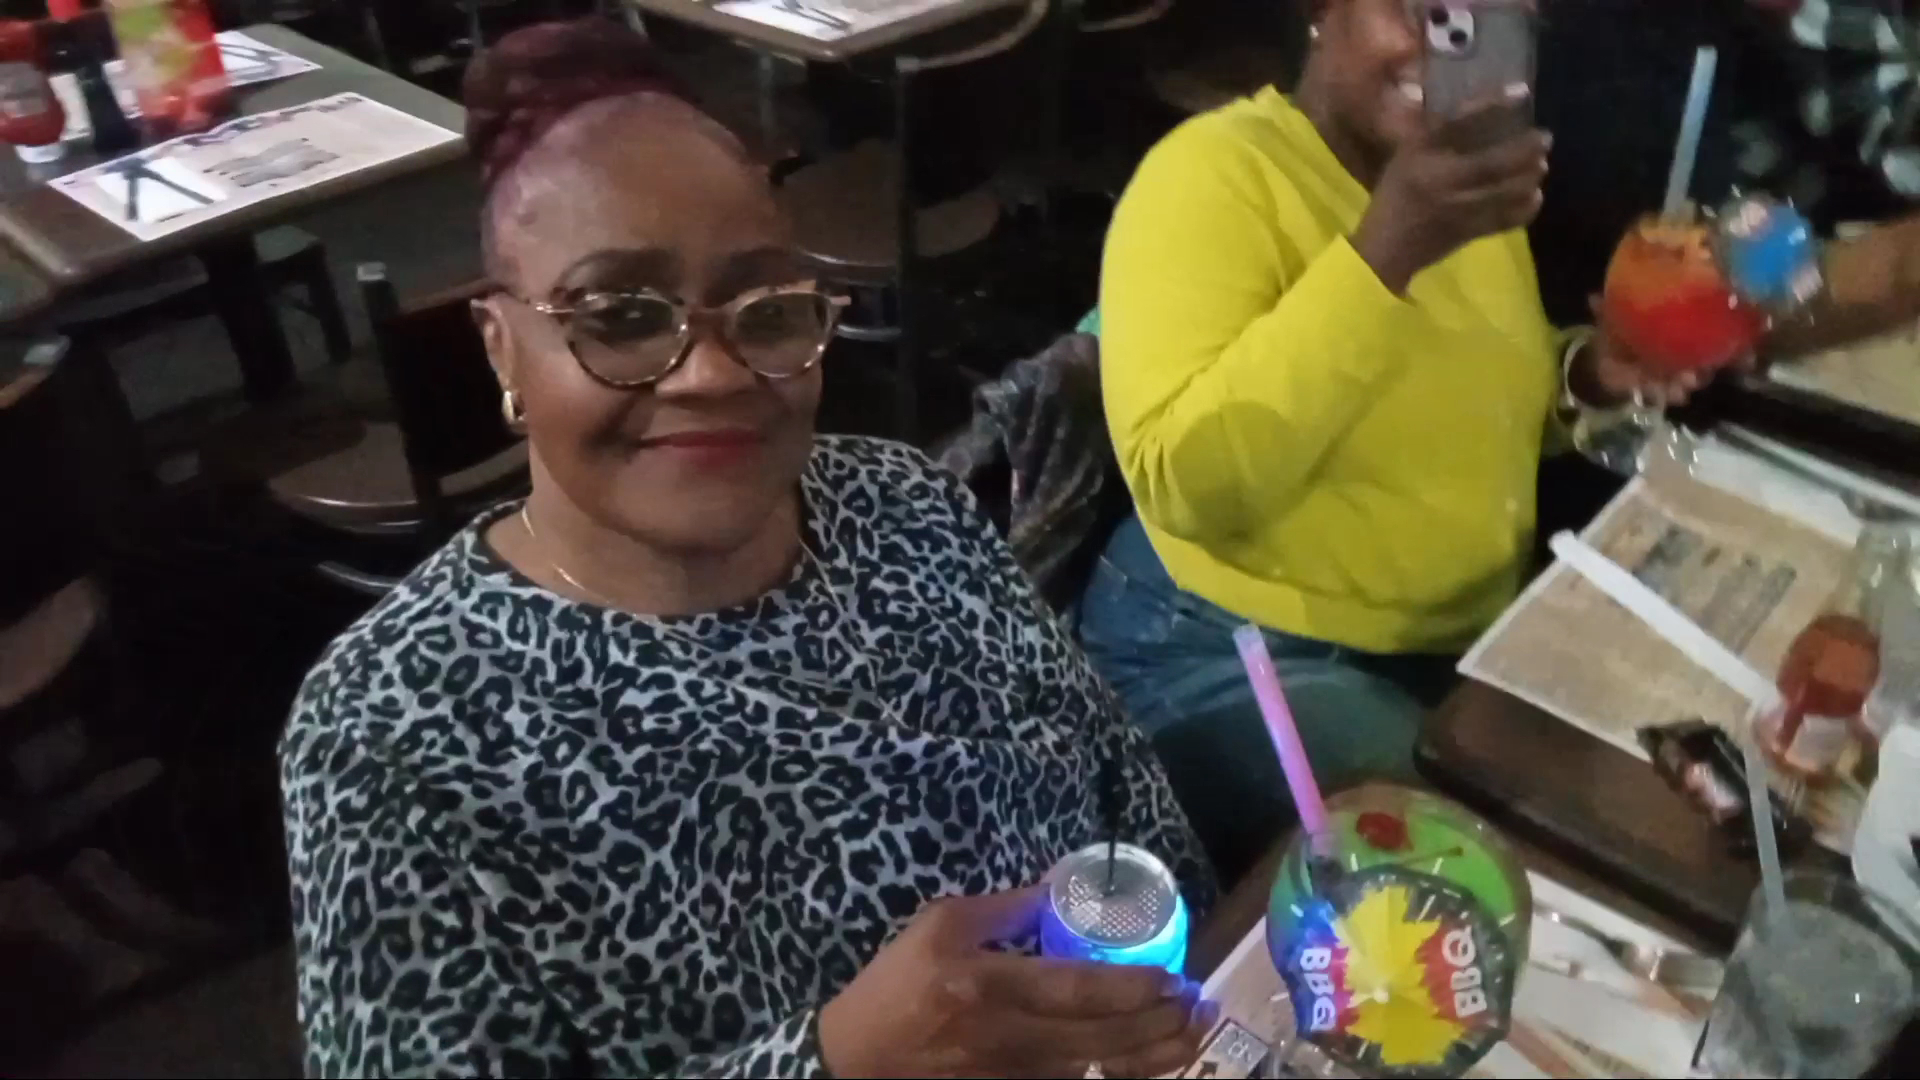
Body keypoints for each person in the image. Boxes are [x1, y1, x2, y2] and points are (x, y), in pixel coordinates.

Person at [280, 19, 1215, 1079]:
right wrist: (838, 1061)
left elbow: (1123, 794)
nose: (712, 372)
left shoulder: (903, 502)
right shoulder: (394, 734)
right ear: (502, 349)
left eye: (765, 311)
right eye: (621, 316)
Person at [1077, 0, 1704, 883]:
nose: (1449, 45)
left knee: (1656, 806)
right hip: (1232, 644)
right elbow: (1187, 483)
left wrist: (1589, 376)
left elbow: (1468, 407)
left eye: (1498, 16)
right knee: (1497, 871)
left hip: (1446, 647)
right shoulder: (1211, 175)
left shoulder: (1454, 189)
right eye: (1421, 8)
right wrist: (1387, 251)